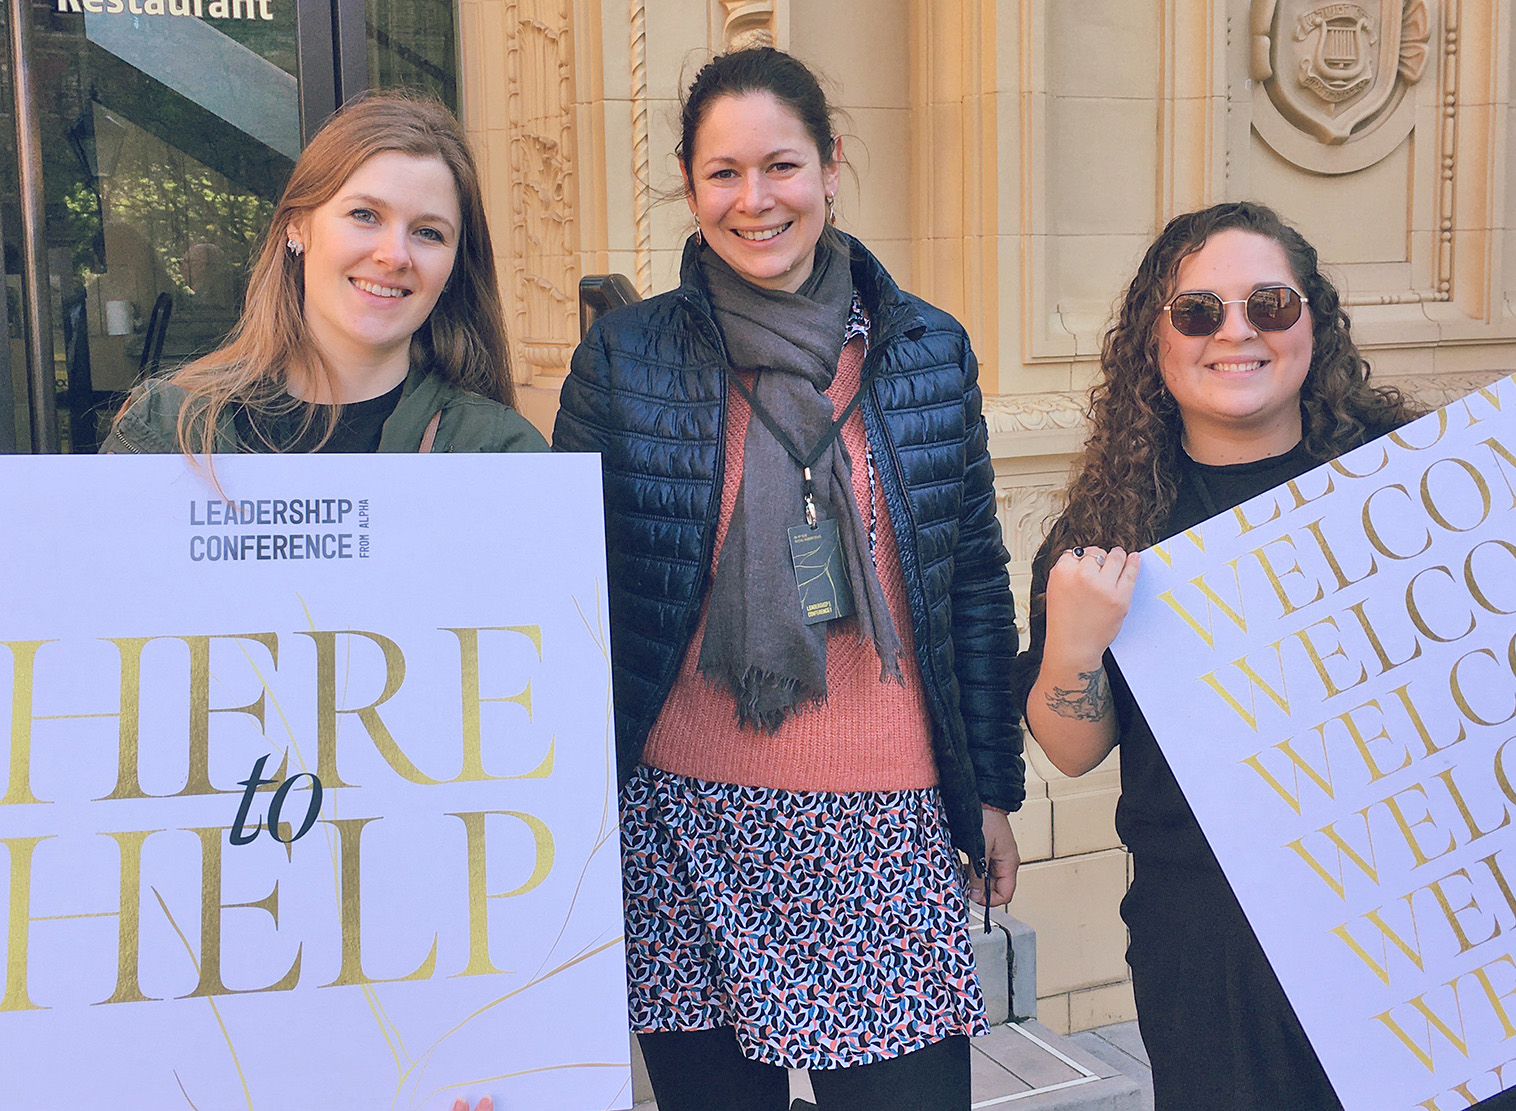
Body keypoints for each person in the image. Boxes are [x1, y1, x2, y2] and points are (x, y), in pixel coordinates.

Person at [1018, 201, 1516, 1110]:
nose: (1237, 331)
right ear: (1156, 342)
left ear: (1314, 325)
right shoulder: (1109, 531)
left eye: (1271, 305)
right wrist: (1074, 643)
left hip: (1440, 935)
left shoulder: (1427, 486)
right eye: (1199, 311)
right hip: (1220, 953)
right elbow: (1073, 746)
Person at [553, 46, 1023, 1111]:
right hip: (685, 826)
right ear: (689, 184)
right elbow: (569, 599)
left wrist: (991, 786)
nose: (754, 200)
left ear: (832, 166)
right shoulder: (625, 360)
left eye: (781, 166)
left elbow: (974, 584)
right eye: (723, 173)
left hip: (884, 832)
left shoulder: (927, 352)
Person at [105, 92, 544, 456]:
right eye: (365, 214)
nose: (394, 255)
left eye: (428, 232)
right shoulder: (168, 431)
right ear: (298, 225)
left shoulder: (499, 452)